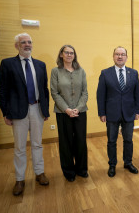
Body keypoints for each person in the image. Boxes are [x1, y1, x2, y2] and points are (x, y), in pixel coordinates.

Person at [0, 33, 50, 196]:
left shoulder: (40, 65)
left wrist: (45, 110)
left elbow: (44, 89)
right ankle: (19, 179)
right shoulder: (7, 64)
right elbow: (1, 89)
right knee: (19, 147)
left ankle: (39, 173)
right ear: (16, 46)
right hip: (18, 111)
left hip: (37, 109)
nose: (27, 45)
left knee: (37, 144)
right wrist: (6, 112)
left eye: (29, 42)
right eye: (23, 42)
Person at [96, 46, 139, 177]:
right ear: (113, 56)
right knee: (111, 141)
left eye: (122, 54)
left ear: (126, 57)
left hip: (129, 112)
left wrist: (137, 110)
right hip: (111, 113)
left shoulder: (133, 73)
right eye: (117, 54)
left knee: (128, 140)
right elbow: (101, 95)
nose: (120, 56)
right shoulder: (105, 73)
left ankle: (128, 162)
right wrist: (102, 113)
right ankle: (112, 164)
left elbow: (137, 93)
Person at [50, 45, 88, 182]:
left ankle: (82, 169)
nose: (69, 55)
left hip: (80, 111)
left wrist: (78, 108)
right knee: (66, 142)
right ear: (61, 55)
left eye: (72, 53)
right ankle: (68, 172)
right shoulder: (55, 71)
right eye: (66, 52)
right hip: (62, 112)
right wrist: (66, 109)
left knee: (80, 141)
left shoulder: (81, 71)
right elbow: (54, 92)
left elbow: (85, 92)